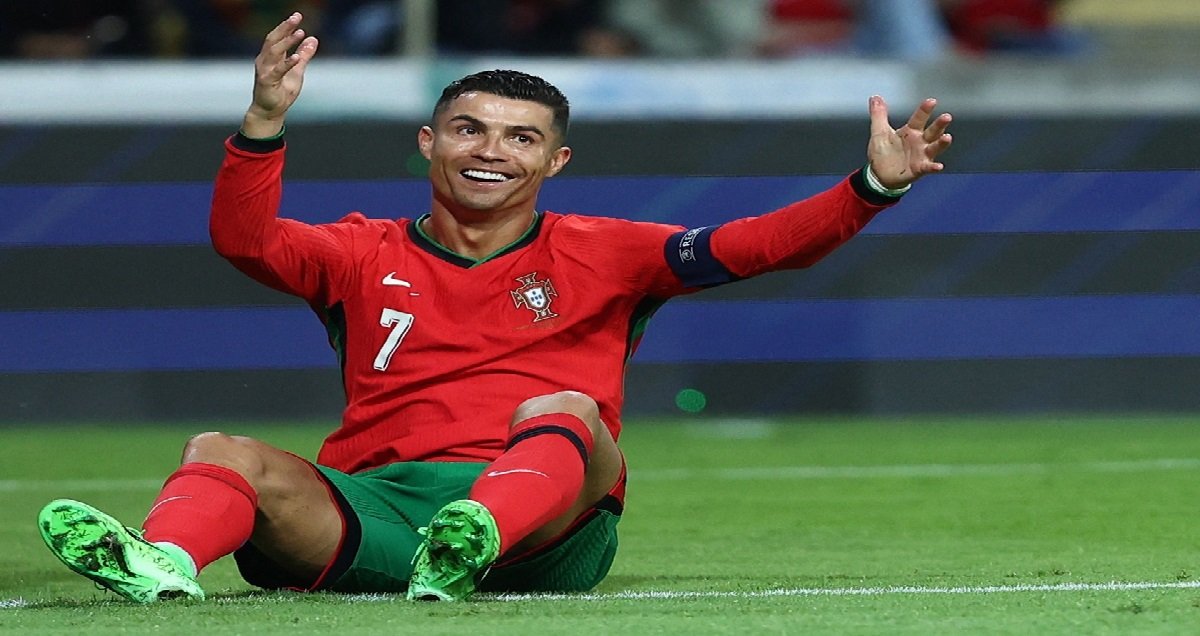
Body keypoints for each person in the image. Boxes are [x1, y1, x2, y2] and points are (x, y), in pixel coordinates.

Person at [36, 12, 953, 603]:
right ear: (429, 142)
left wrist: (871, 188)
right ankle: (161, 564)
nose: (491, 151)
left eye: (520, 138)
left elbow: (753, 245)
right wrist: (264, 121)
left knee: (567, 410)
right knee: (221, 451)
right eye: (469, 130)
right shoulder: (361, 250)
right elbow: (245, 242)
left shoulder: (611, 249)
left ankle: (477, 536)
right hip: (377, 508)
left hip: (548, 528)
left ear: (555, 162)